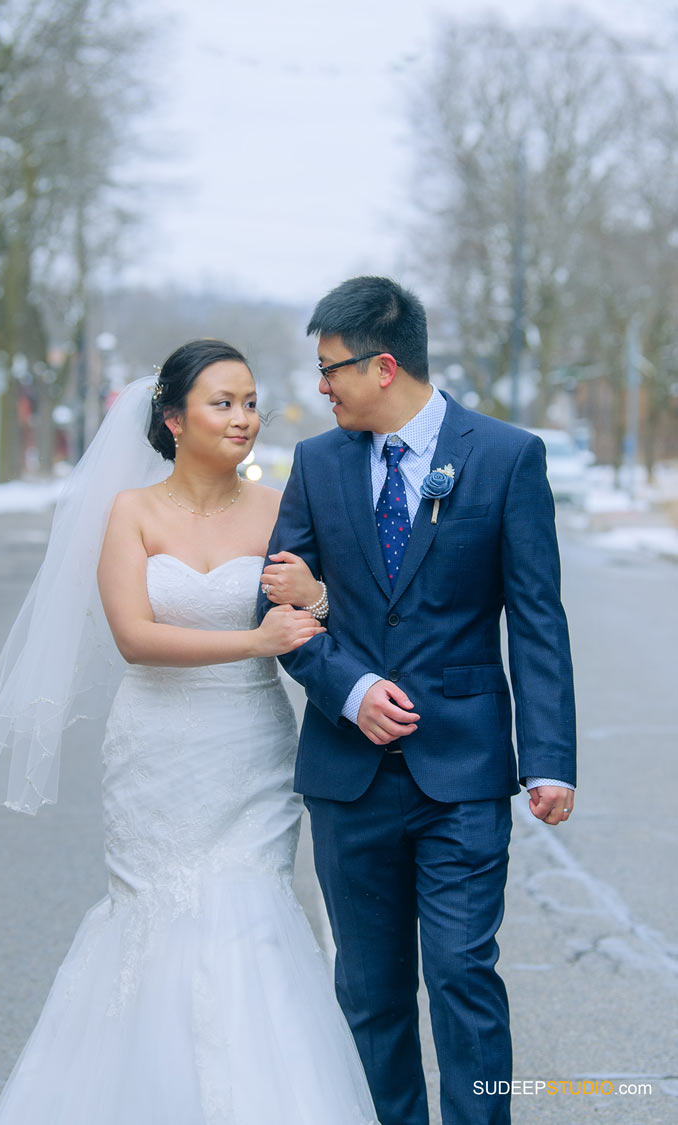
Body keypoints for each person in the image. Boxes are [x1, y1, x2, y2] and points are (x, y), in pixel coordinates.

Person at [0, 340, 380, 1124]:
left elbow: (329, 621)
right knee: (153, 917)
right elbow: (134, 635)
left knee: (253, 911)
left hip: (250, 748)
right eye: (223, 402)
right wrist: (255, 640)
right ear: (172, 418)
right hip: (155, 748)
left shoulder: (281, 507)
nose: (244, 418)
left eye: (251, 401)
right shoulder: (131, 512)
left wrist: (316, 594)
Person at [258, 276, 577, 1125]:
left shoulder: (508, 456)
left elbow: (537, 619)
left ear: (384, 364)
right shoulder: (318, 464)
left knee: (463, 977)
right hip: (348, 777)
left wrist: (547, 757)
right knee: (369, 991)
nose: (321, 387)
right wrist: (349, 687)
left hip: (463, 775)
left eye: (331, 370)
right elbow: (277, 604)